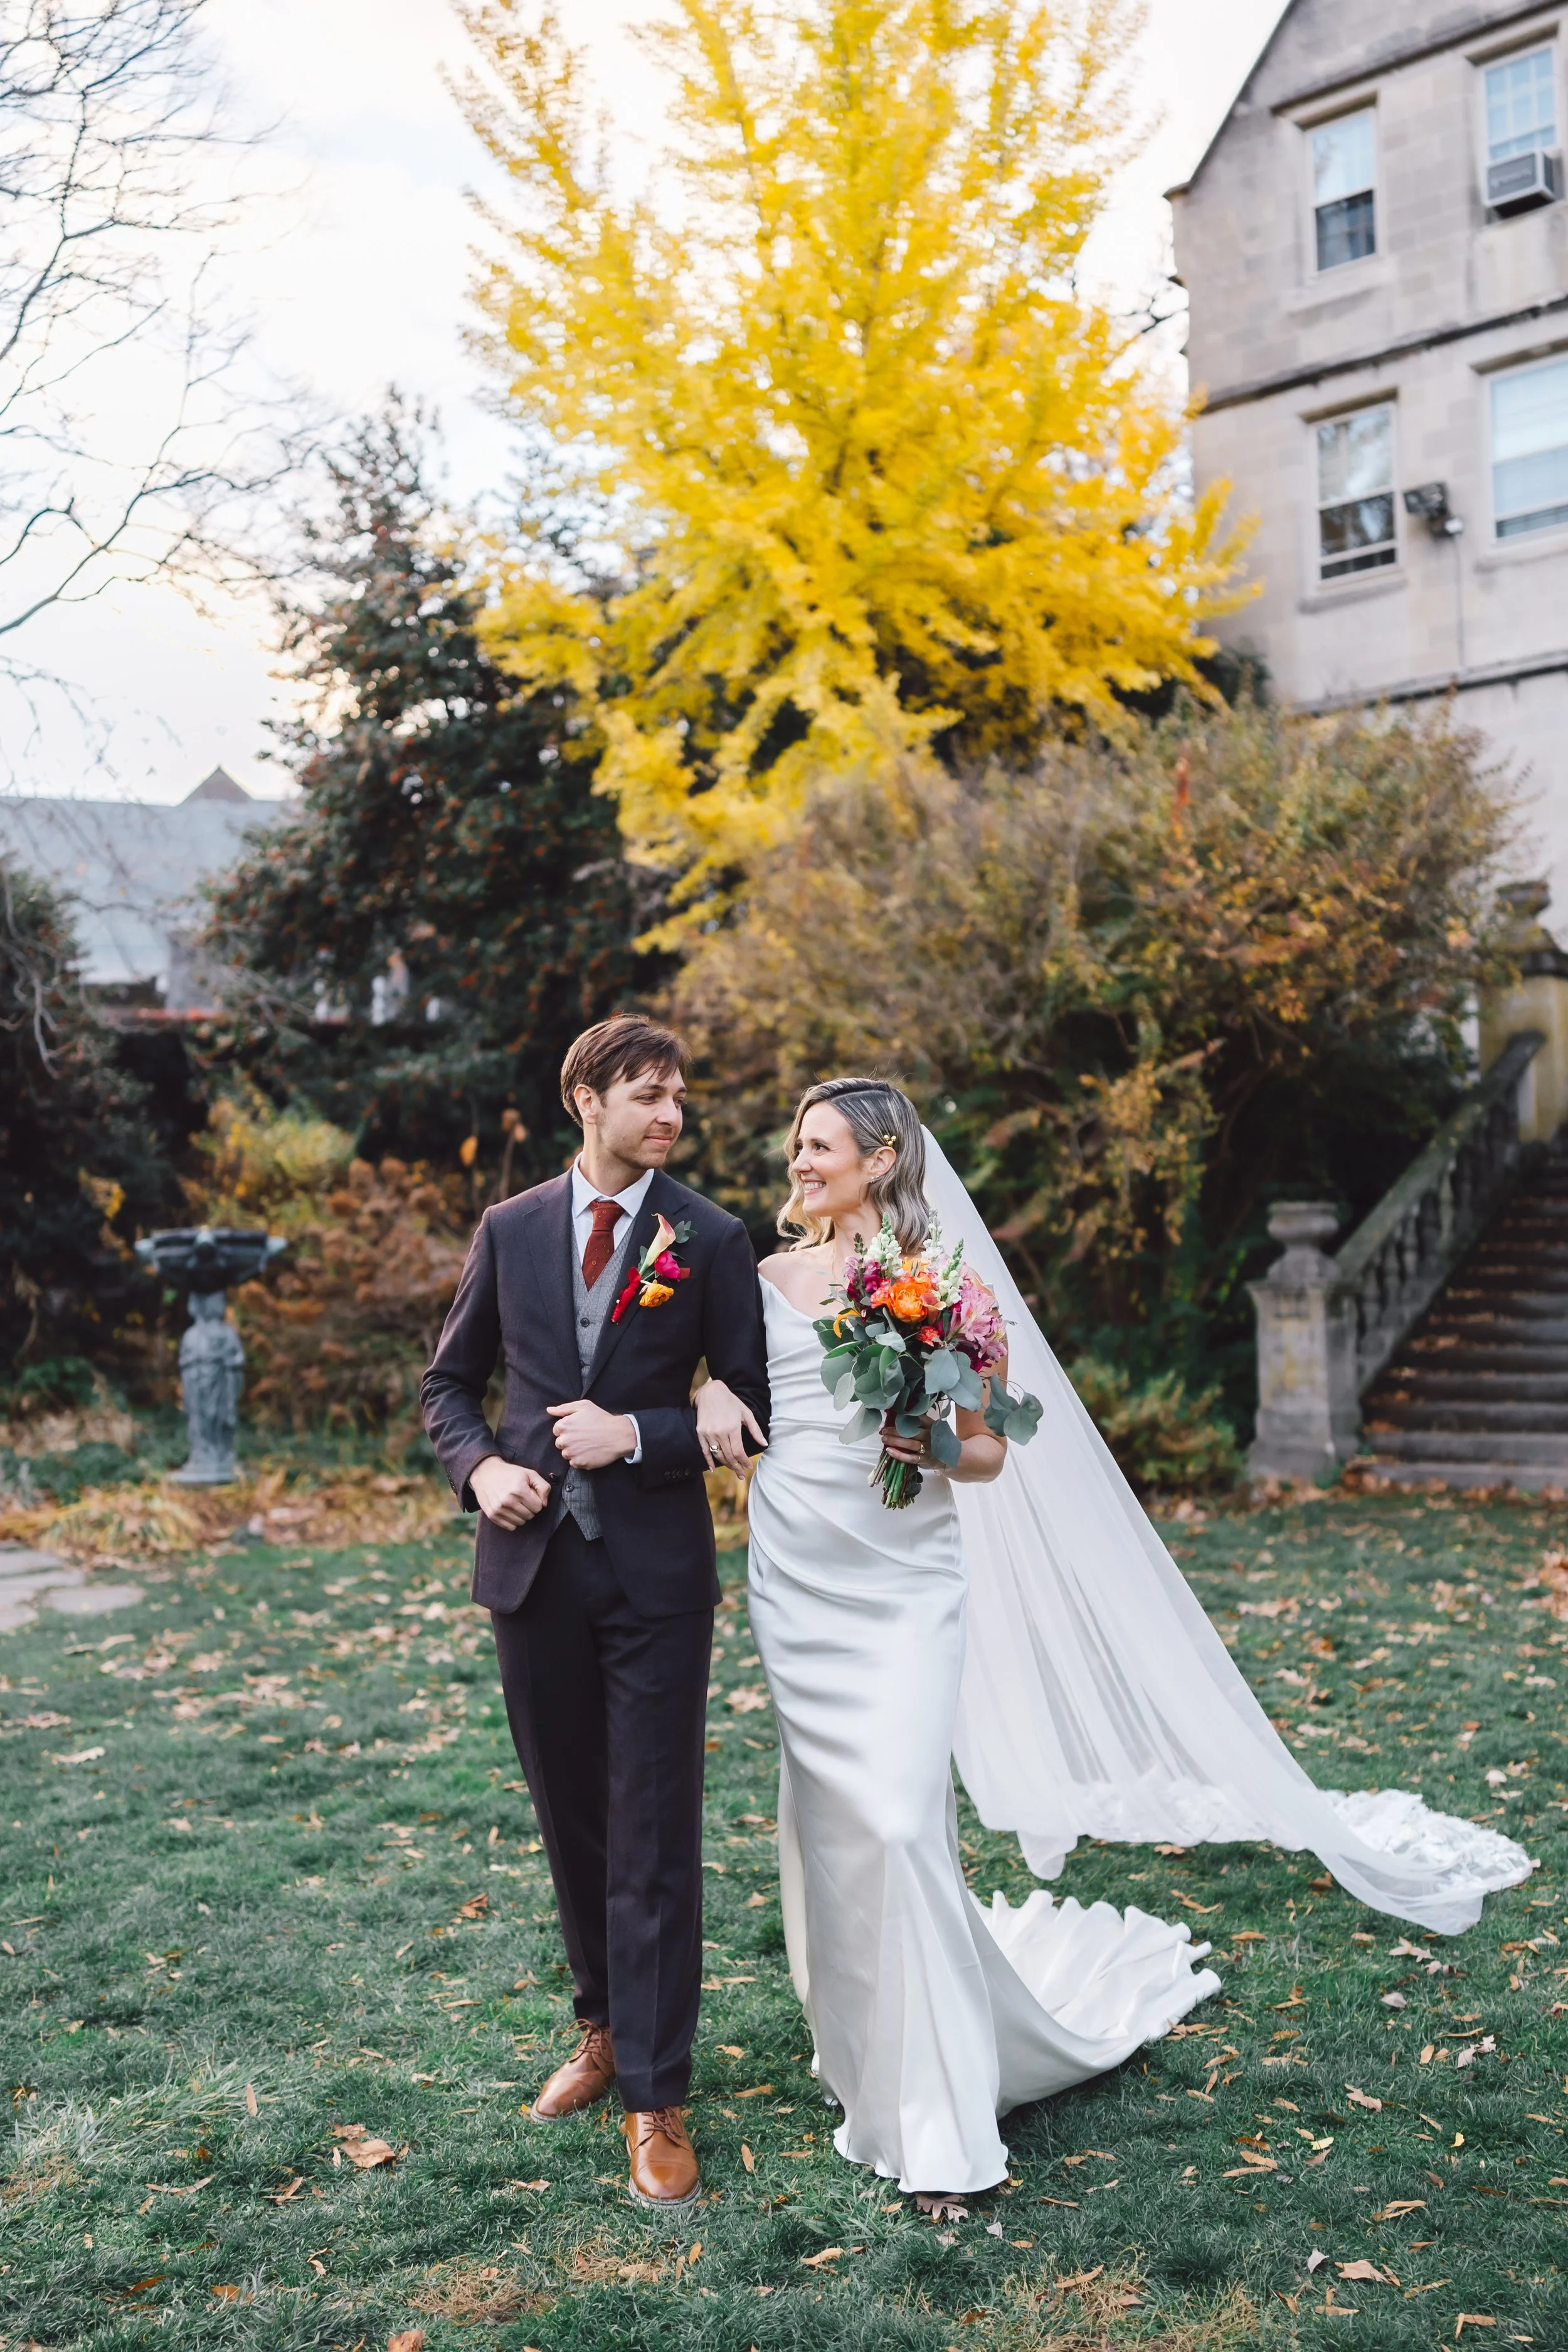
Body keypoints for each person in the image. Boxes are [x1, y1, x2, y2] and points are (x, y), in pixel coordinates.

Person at [696, 1075, 1532, 2213]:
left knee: (899, 1820)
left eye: (820, 1144)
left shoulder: (941, 1287)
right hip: (799, 1576)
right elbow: (731, 1400)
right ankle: (867, 2052)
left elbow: (986, 1453)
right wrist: (706, 1401)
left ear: (882, 1158)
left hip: (905, 1577)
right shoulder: (758, 1279)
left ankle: (943, 2123)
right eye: (796, 1142)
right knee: (838, 1830)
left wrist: (929, 1431)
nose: (798, 1161)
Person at [421, 1016, 769, 2212]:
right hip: (532, 1574)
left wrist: (641, 1434)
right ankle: (603, 2028)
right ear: (586, 1099)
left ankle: (658, 2097)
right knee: (573, 1819)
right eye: (646, 1092)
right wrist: (479, 1471)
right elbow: (447, 1386)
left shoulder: (711, 1237)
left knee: (655, 1830)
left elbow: (754, 1406)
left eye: (679, 1093)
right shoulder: (511, 1228)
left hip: (657, 1579)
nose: (669, 1112)